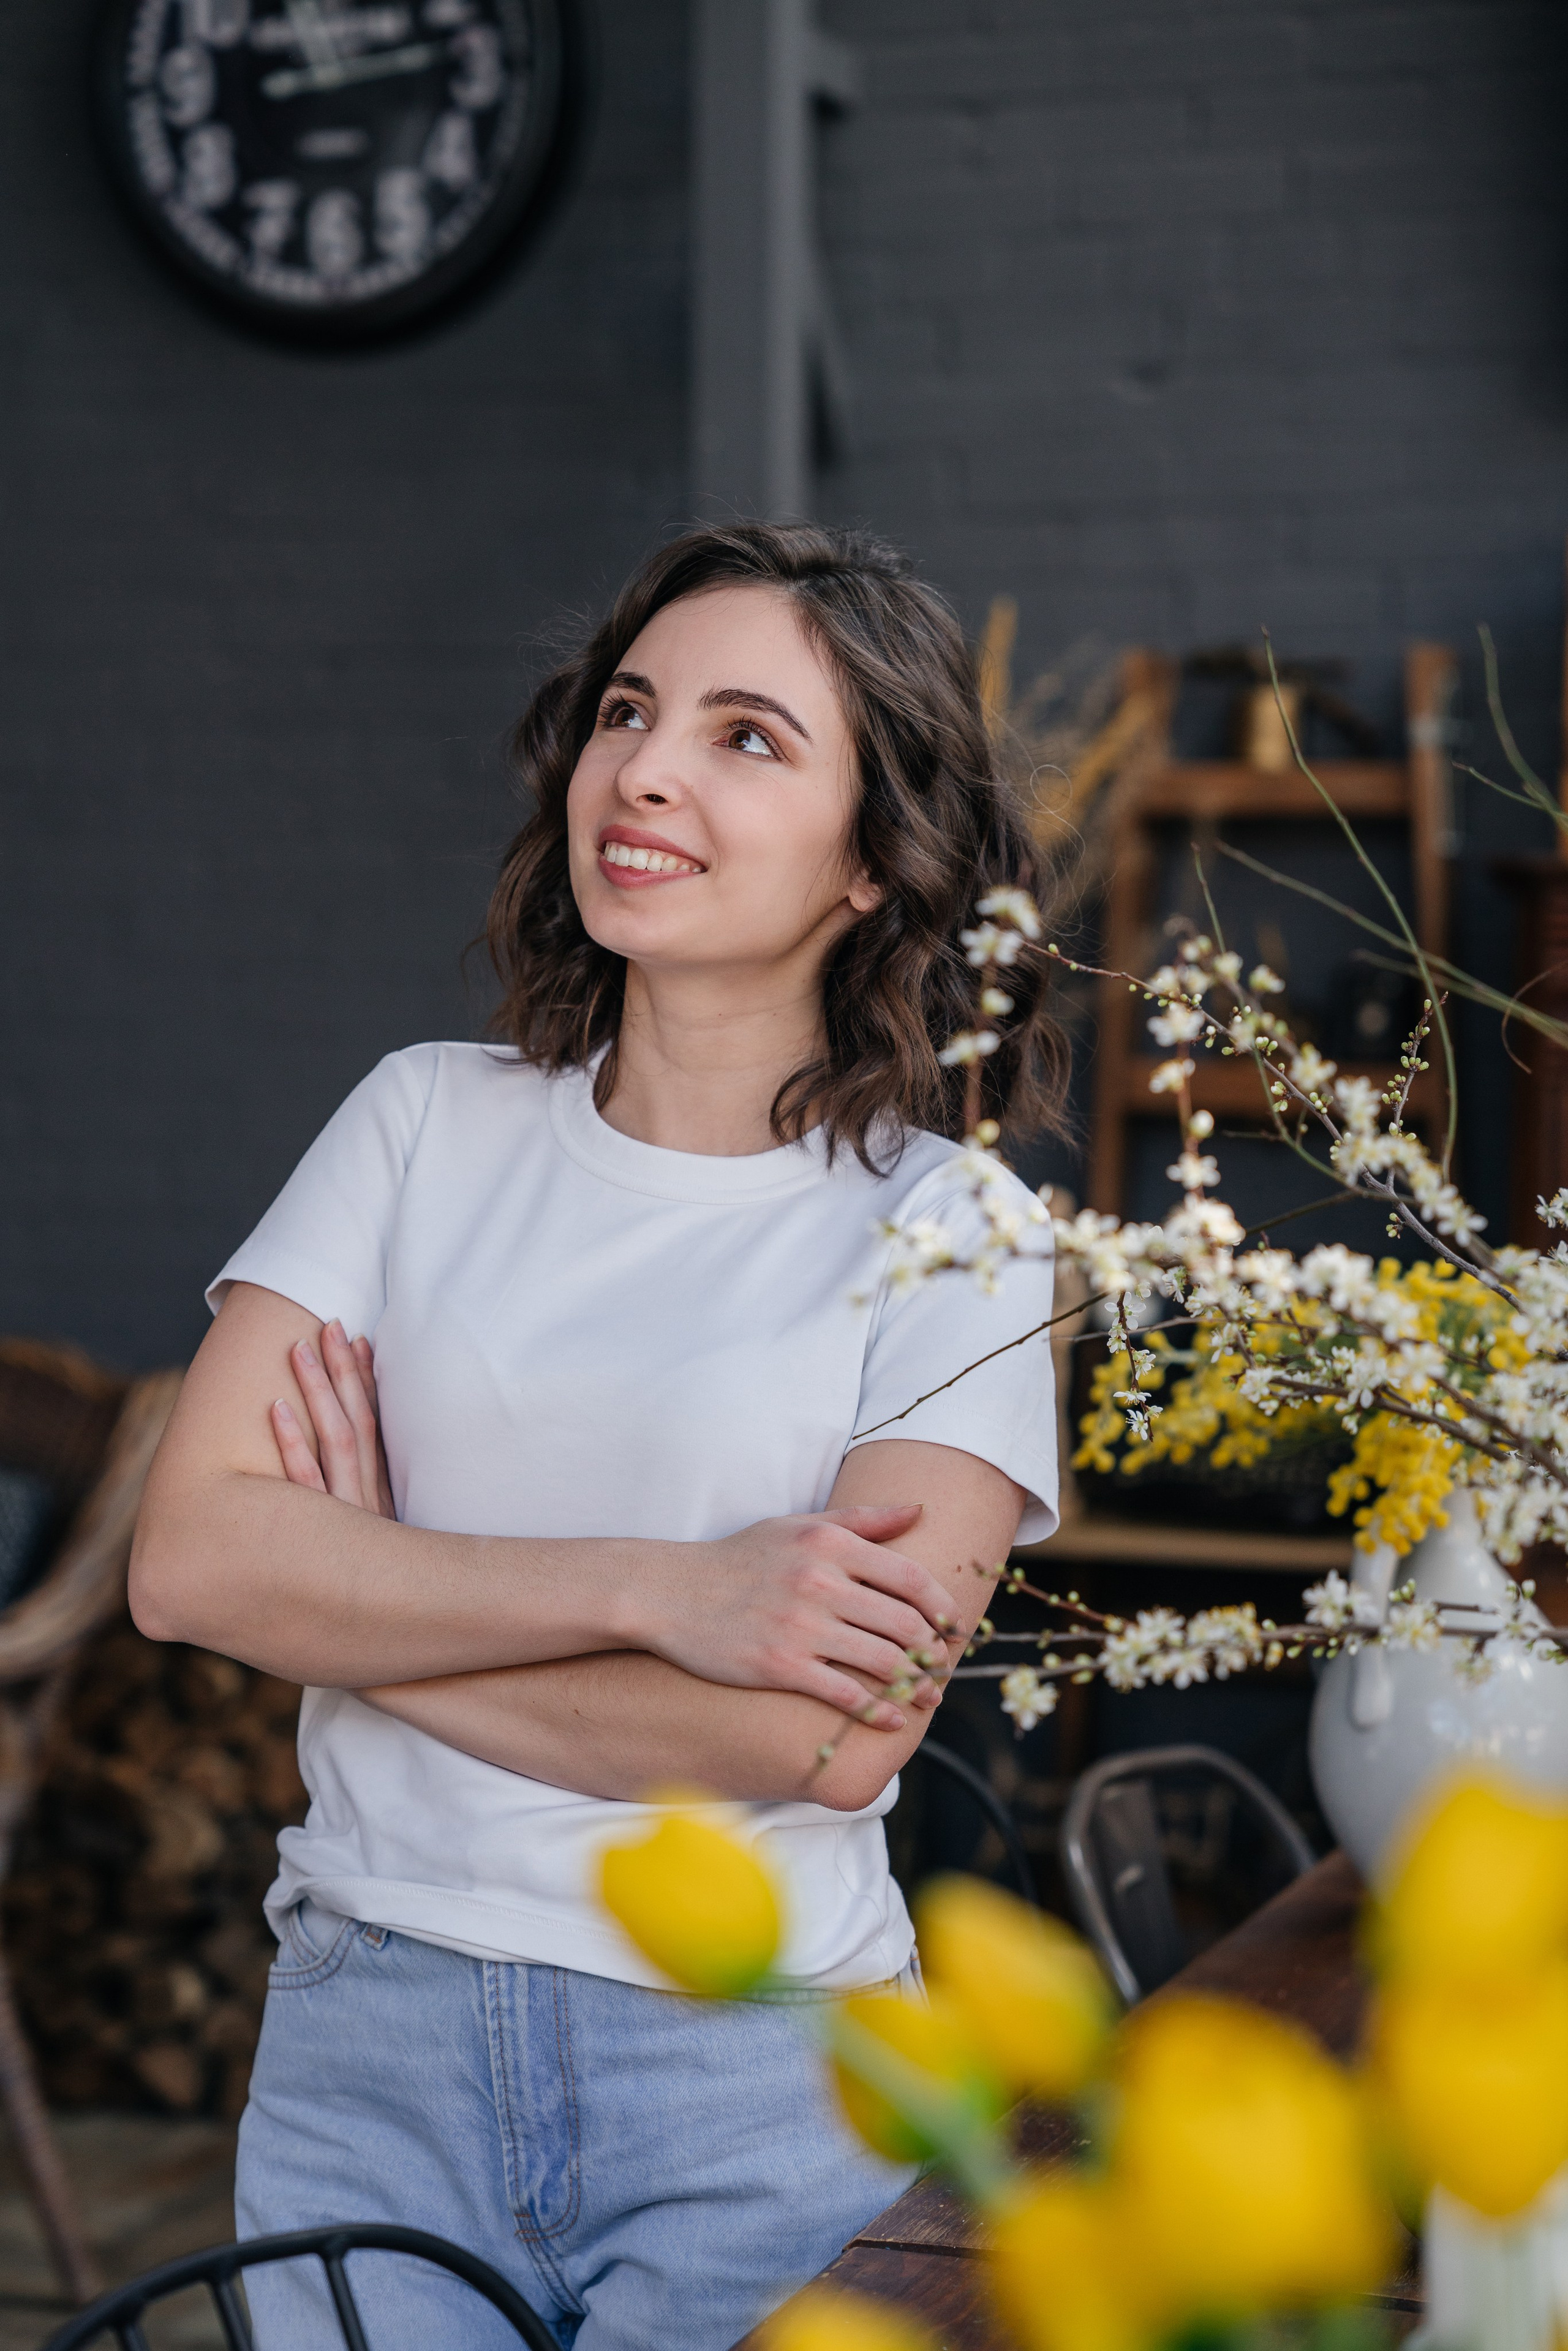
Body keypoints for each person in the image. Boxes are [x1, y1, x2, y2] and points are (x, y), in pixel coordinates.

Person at [130, 521, 1066, 2350]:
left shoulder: (960, 1232)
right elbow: (190, 1565)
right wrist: (667, 1592)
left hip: (760, 2077)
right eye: (629, 711)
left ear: (873, 861)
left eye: (747, 736)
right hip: (368, 2053)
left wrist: (363, 1602)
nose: (643, 769)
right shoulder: (420, 1124)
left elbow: (821, 1742)